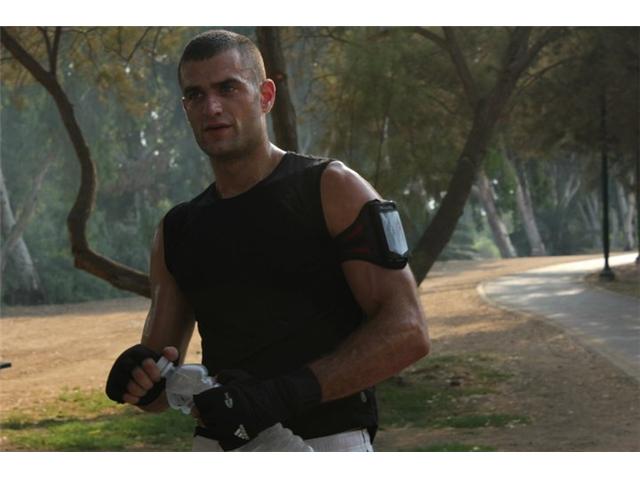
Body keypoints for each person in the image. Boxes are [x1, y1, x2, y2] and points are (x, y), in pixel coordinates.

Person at [106, 29, 430, 452]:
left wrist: (280, 396)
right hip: (223, 446)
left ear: (265, 95)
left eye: (227, 88)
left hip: (328, 442)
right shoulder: (177, 229)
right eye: (195, 95)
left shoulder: (332, 188)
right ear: (185, 108)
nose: (212, 107)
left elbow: (408, 332)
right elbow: (160, 389)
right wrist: (141, 378)